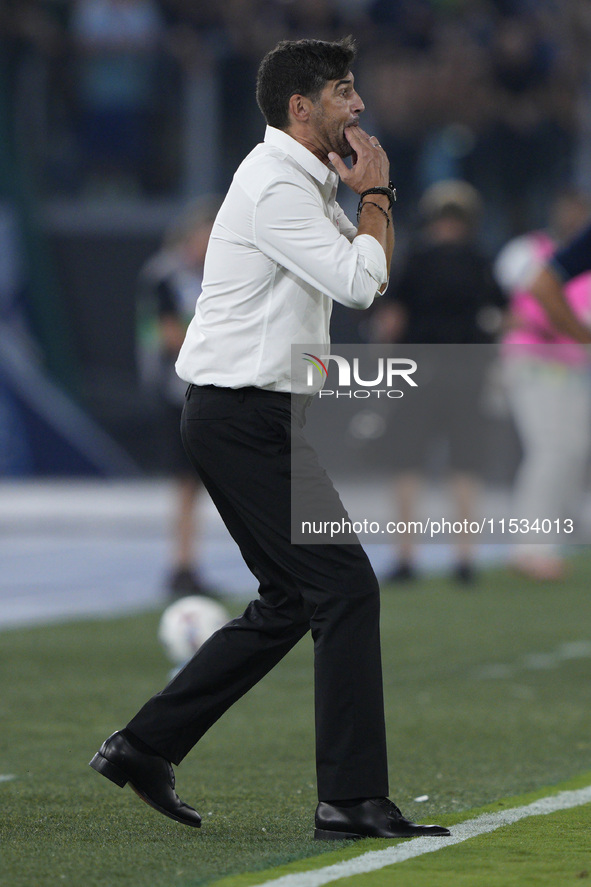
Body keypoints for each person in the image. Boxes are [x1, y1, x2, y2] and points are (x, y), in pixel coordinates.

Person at [89, 36, 450, 841]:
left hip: (250, 414)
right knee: (346, 587)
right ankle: (350, 799)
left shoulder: (296, 181)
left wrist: (362, 195)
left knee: (292, 600)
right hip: (241, 415)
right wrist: (379, 193)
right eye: (344, 92)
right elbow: (363, 281)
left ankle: (144, 745)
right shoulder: (276, 187)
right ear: (300, 107)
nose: (358, 106)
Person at [373, 180, 505, 585]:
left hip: (419, 372)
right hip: (466, 372)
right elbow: (502, 317)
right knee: (463, 464)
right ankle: (464, 558)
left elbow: (390, 322)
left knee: (409, 464)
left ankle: (406, 557)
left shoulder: (416, 259)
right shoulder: (480, 261)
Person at [494, 191, 591, 580]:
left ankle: (563, 531)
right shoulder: (529, 250)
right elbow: (518, 307)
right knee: (549, 451)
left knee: (573, 450)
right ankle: (531, 547)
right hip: (533, 359)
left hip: (572, 364)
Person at [136, 196, 222, 599]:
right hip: (175, 388)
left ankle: (187, 563)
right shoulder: (166, 275)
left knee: (197, 484)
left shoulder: (210, 273)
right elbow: (169, 335)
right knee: (186, 483)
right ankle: (181, 564)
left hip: (201, 384)